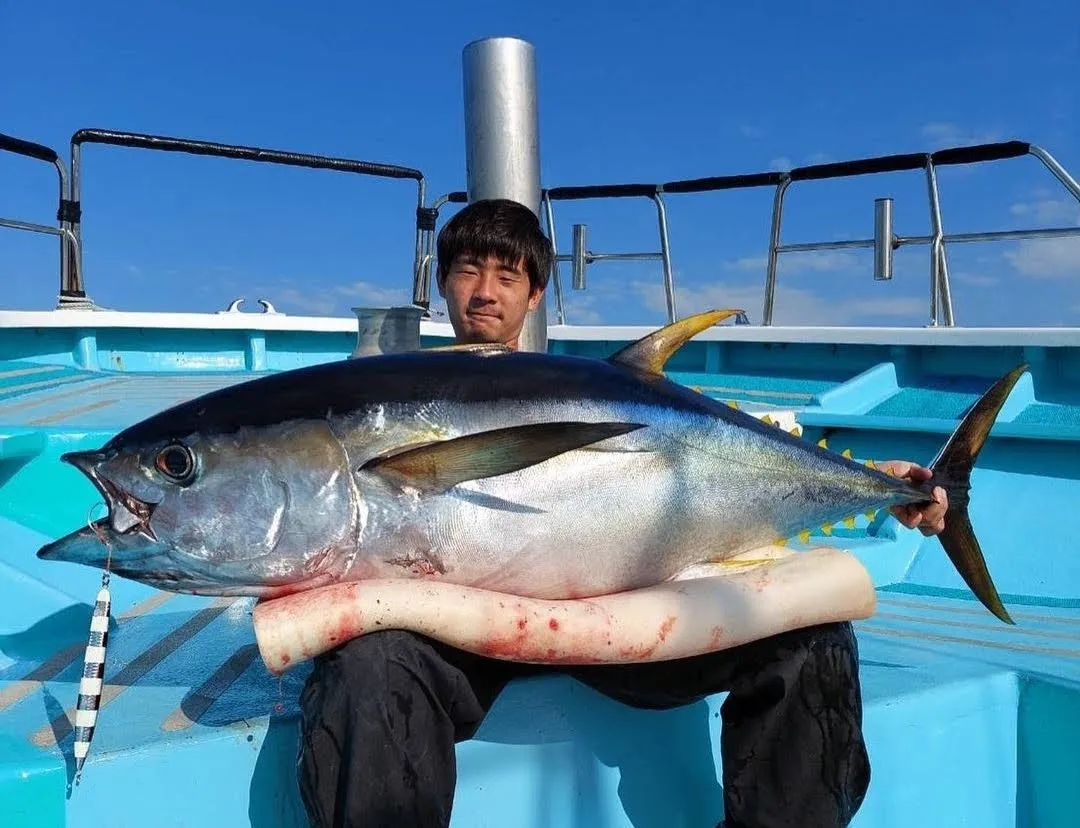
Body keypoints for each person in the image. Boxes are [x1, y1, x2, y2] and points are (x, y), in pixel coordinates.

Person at [295, 199, 948, 828]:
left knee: (810, 636)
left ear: (536, 293)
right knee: (366, 666)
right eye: (467, 270)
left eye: (507, 274)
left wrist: (883, 484)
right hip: (453, 632)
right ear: (442, 283)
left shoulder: (598, 385)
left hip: (627, 617)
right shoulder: (395, 393)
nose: (485, 291)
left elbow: (736, 463)